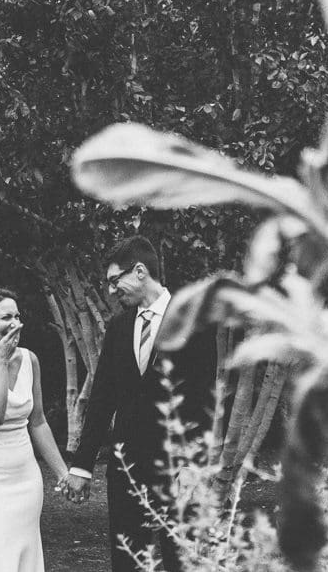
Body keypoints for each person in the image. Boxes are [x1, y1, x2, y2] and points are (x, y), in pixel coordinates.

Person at [62, 236, 217, 572]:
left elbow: (204, 399)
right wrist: (81, 465)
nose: (111, 291)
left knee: (183, 560)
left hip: (177, 468)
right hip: (127, 468)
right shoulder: (118, 327)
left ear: (141, 271)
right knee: (128, 561)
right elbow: (103, 398)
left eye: (114, 281)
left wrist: (193, 466)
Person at [0, 287, 74, 572]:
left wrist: (63, 474)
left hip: (25, 481)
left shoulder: (30, 360)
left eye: (18, 316)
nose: (16, 323)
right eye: (7, 317)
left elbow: (38, 421)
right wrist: (1, 360)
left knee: (23, 560)